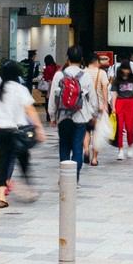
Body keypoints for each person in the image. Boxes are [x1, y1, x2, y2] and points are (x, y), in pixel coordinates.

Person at [0, 60, 45, 207]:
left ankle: (2, 196)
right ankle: (29, 188)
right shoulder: (20, 89)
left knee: (3, 162)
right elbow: (30, 110)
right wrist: (39, 127)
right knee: (24, 161)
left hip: (0, 130)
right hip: (17, 131)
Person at [47, 46, 98, 180]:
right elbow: (93, 99)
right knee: (77, 147)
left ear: (67, 58)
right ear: (81, 59)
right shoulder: (85, 76)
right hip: (80, 117)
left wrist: (52, 115)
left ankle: (64, 178)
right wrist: (93, 114)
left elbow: (53, 96)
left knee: (64, 145)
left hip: (63, 117)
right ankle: (74, 179)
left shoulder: (59, 75)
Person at [85, 52, 113, 166]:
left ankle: (86, 150)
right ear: (96, 61)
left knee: (86, 130)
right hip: (99, 106)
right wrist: (105, 104)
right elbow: (105, 88)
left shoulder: (83, 72)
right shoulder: (101, 73)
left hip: (85, 107)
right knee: (96, 131)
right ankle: (94, 159)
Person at [112, 61, 133, 160]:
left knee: (130, 127)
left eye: (127, 69)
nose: (126, 71)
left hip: (131, 102)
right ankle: (120, 149)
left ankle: (130, 146)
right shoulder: (116, 80)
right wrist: (113, 106)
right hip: (120, 102)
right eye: (124, 69)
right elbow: (114, 93)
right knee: (119, 127)